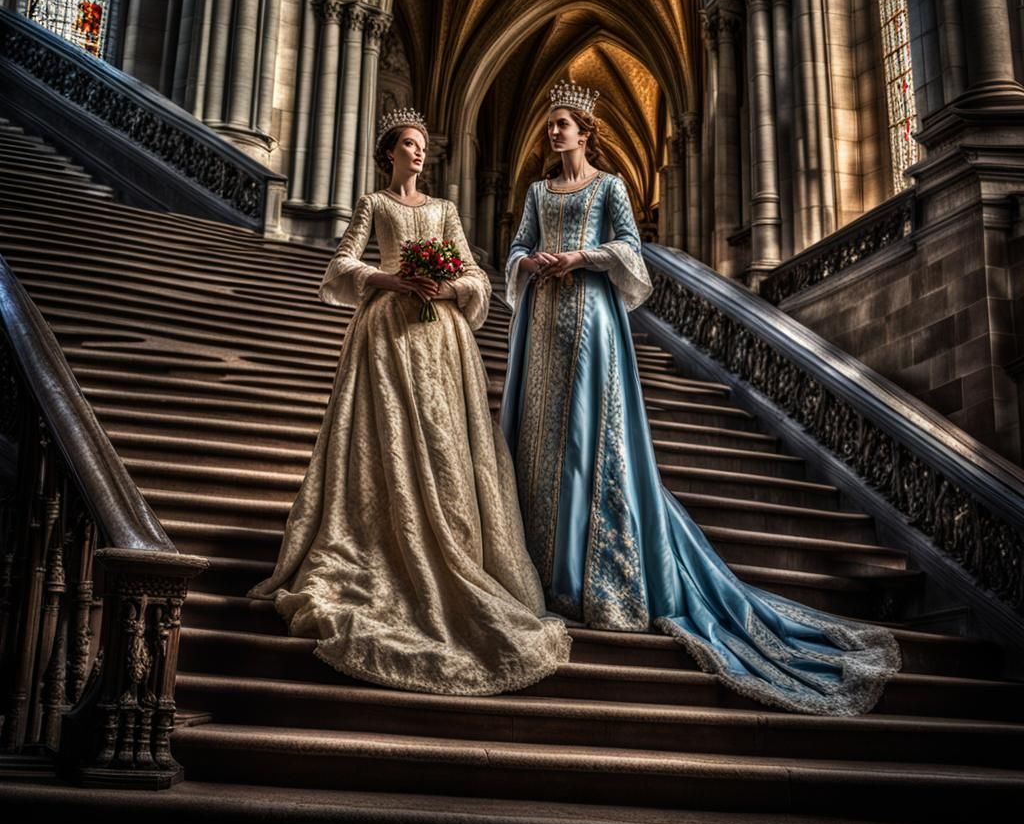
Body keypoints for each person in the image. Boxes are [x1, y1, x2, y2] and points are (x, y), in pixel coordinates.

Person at [499, 79, 901, 715]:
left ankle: (583, 577)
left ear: (585, 132)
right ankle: (535, 567)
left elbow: (632, 250)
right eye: (551, 123)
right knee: (539, 437)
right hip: (543, 320)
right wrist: (530, 263)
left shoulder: (610, 187)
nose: (554, 131)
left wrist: (580, 257)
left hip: (593, 321)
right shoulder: (537, 192)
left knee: (585, 440)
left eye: (564, 123)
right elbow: (518, 246)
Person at [250, 107, 571, 695]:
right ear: (389, 153)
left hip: (441, 338)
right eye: (408, 144)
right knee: (384, 439)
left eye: (422, 145)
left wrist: (446, 287)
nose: (418, 152)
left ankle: (455, 547)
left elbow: (476, 276)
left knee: (446, 446)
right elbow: (342, 262)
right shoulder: (374, 204)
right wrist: (391, 279)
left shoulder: (445, 210)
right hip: (385, 333)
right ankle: (382, 546)